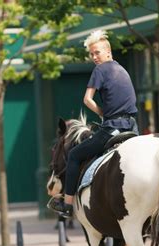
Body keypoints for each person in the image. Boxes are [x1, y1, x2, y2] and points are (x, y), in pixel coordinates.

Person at [50, 30, 138, 218]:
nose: (94, 57)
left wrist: (102, 114)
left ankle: (67, 204)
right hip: (132, 127)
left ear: (108, 52)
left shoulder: (100, 70)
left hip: (113, 127)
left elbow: (87, 100)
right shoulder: (122, 69)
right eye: (91, 54)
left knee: (74, 155)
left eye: (97, 52)